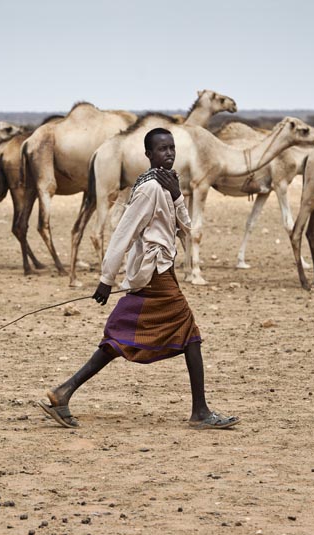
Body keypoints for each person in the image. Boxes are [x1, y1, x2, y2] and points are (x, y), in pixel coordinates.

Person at [38, 127, 240, 430]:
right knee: (191, 336)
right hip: (155, 275)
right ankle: (200, 412)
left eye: (172, 148)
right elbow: (124, 231)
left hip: (160, 270)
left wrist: (176, 196)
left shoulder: (167, 185)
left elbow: (185, 227)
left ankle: (63, 391)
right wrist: (107, 278)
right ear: (148, 155)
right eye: (162, 149)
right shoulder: (148, 188)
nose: (169, 153)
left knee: (119, 337)